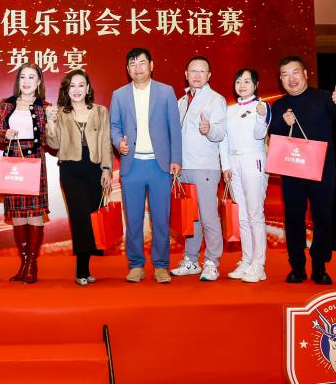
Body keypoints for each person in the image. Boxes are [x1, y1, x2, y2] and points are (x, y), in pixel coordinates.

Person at [269, 56, 336, 285]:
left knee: (323, 217)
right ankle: (297, 267)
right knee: (293, 218)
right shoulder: (279, 105)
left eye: (295, 72)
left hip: (322, 169)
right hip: (292, 170)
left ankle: (320, 266)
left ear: (305, 74)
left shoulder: (323, 97)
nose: (291, 78)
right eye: (285, 75)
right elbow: (273, 135)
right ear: (280, 79)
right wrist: (282, 122)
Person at [110, 48, 182, 284]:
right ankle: (136, 265)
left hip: (159, 165)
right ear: (127, 69)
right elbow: (114, 127)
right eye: (133, 64)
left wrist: (176, 159)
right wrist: (118, 142)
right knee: (133, 219)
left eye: (142, 63)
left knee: (161, 219)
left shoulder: (166, 92)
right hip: (132, 166)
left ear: (151, 65)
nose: (137, 68)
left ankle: (161, 266)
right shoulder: (119, 95)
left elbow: (174, 128)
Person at [46, 69, 113, 286]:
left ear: (88, 88)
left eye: (81, 85)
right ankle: (81, 270)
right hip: (71, 171)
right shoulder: (61, 113)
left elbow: (105, 142)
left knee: (93, 218)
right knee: (80, 218)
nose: (77, 90)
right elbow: (54, 145)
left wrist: (106, 169)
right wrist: (50, 123)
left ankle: (86, 268)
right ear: (67, 90)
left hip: (95, 169)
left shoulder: (101, 111)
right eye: (72, 86)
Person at [170, 56, 227, 282]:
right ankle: (191, 260)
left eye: (202, 71)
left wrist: (209, 128)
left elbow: (220, 133)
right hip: (184, 167)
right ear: (186, 74)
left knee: (208, 217)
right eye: (193, 71)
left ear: (209, 75)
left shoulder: (216, 99)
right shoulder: (181, 101)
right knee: (190, 217)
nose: (197, 75)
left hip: (205, 166)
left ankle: (212, 262)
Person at [0, 63, 51, 284]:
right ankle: (25, 262)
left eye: (31, 77)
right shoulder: (6, 104)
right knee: (17, 213)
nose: (26, 82)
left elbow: (47, 139)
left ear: (39, 82)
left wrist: (53, 122)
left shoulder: (44, 107)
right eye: (23, 77)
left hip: (34, 159)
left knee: (34, 211)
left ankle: (31, 264)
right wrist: (5, 133)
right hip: (13, 160)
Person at [219, 68, 271, 283]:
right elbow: (223, 140)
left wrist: (261, 117)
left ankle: (259, 264)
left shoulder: (262, 106)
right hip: (234, 163)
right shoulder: (229, 110)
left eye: (247, 81)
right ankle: (247, 260)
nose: (242, 85)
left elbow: (260, 134)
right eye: (239, 81)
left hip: (253, 159)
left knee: (255, 213)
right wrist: (225, 166)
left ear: (256, 85)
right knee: (240, 215)